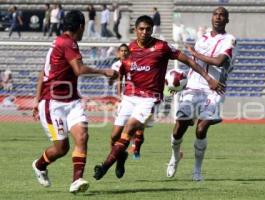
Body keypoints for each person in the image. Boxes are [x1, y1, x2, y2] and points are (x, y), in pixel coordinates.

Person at [93, 15, 225, 181]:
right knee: (114, 135)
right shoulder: (130, 49)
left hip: (149, 98)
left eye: (148, 29)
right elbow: (123, 71)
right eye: (141, 29)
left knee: (130, 130)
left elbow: (189, 61)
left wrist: (208, 78)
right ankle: (121, 158)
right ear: (135, 30)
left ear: (152, 30)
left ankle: (104, 167)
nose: (145, 32)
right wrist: (114, 77)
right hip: (129, 97)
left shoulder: (162, 47)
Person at [31, 10, 116, 193]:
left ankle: (77, 181)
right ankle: (39, 165)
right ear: (81, 26)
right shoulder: (68, 43)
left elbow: (42, 71)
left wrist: (35, 98)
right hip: (53, 103)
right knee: (61, 148)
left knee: (83, 136)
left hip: (72, 100)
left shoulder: (60, 42)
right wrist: (104, 72)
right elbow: (78, 70)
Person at [166, 7, 236, 181]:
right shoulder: (202, 38)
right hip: (193, 87)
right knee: (179, 128)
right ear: (211, 18)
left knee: (201, 128)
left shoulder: (230, 39)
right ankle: (175, 157)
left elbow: (219, 61)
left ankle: (197, 170)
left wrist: (195, 54)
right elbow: (193, 63)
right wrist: (180, 78)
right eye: (215, 14)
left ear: (227, 20)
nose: (218, 17)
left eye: (222, 15)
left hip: (214, 88)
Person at [109, 44, 145, 160]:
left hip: (136, 98)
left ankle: (136, 148)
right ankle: (117, 152)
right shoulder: (115, 65)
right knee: (119, 131)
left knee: (138, 127)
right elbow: (113, 81)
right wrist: (111, 79)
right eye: (122, 51)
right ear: (118, 53)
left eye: (126, 51)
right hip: (123, 100)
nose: (124, 53)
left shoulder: (134, 64)